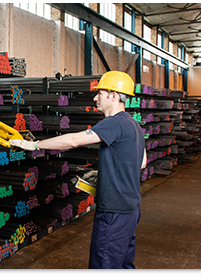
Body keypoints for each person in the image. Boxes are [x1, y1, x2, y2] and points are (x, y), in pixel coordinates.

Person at [10, 70, 147, 269]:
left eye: (99, 93)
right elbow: (140, 162)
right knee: (124, 265)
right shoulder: (133, 124)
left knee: (104, 266)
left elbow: (75, 140)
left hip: (113, 212)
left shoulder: (113, 123)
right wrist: (107, 173)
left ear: (113, 96)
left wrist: (35, 145)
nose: (95, 98)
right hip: (131, 209)